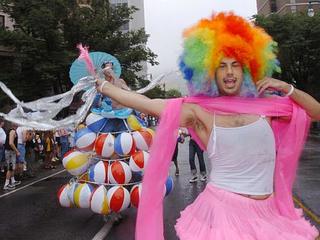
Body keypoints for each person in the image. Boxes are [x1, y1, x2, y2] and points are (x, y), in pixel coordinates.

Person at [95, 12, 319, 239]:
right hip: (222, 213)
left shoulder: (267, 107)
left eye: (236, 65)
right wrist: (107, 87)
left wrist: (287, 88)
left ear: (247, 68)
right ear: (210, 72)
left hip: (267, 213)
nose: (229, 72)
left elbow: (316, 112)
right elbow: (150, 104)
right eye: (221, 66)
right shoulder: (200, 112)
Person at [3, 123, 21, 190]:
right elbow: (11, 143)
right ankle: (6, 184)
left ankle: (13, 181)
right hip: (10, 152)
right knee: (10, 168)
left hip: (11, 152)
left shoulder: (12, 131)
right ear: (14, 124)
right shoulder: (12, 131)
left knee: (12, 167)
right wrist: (17, 151)